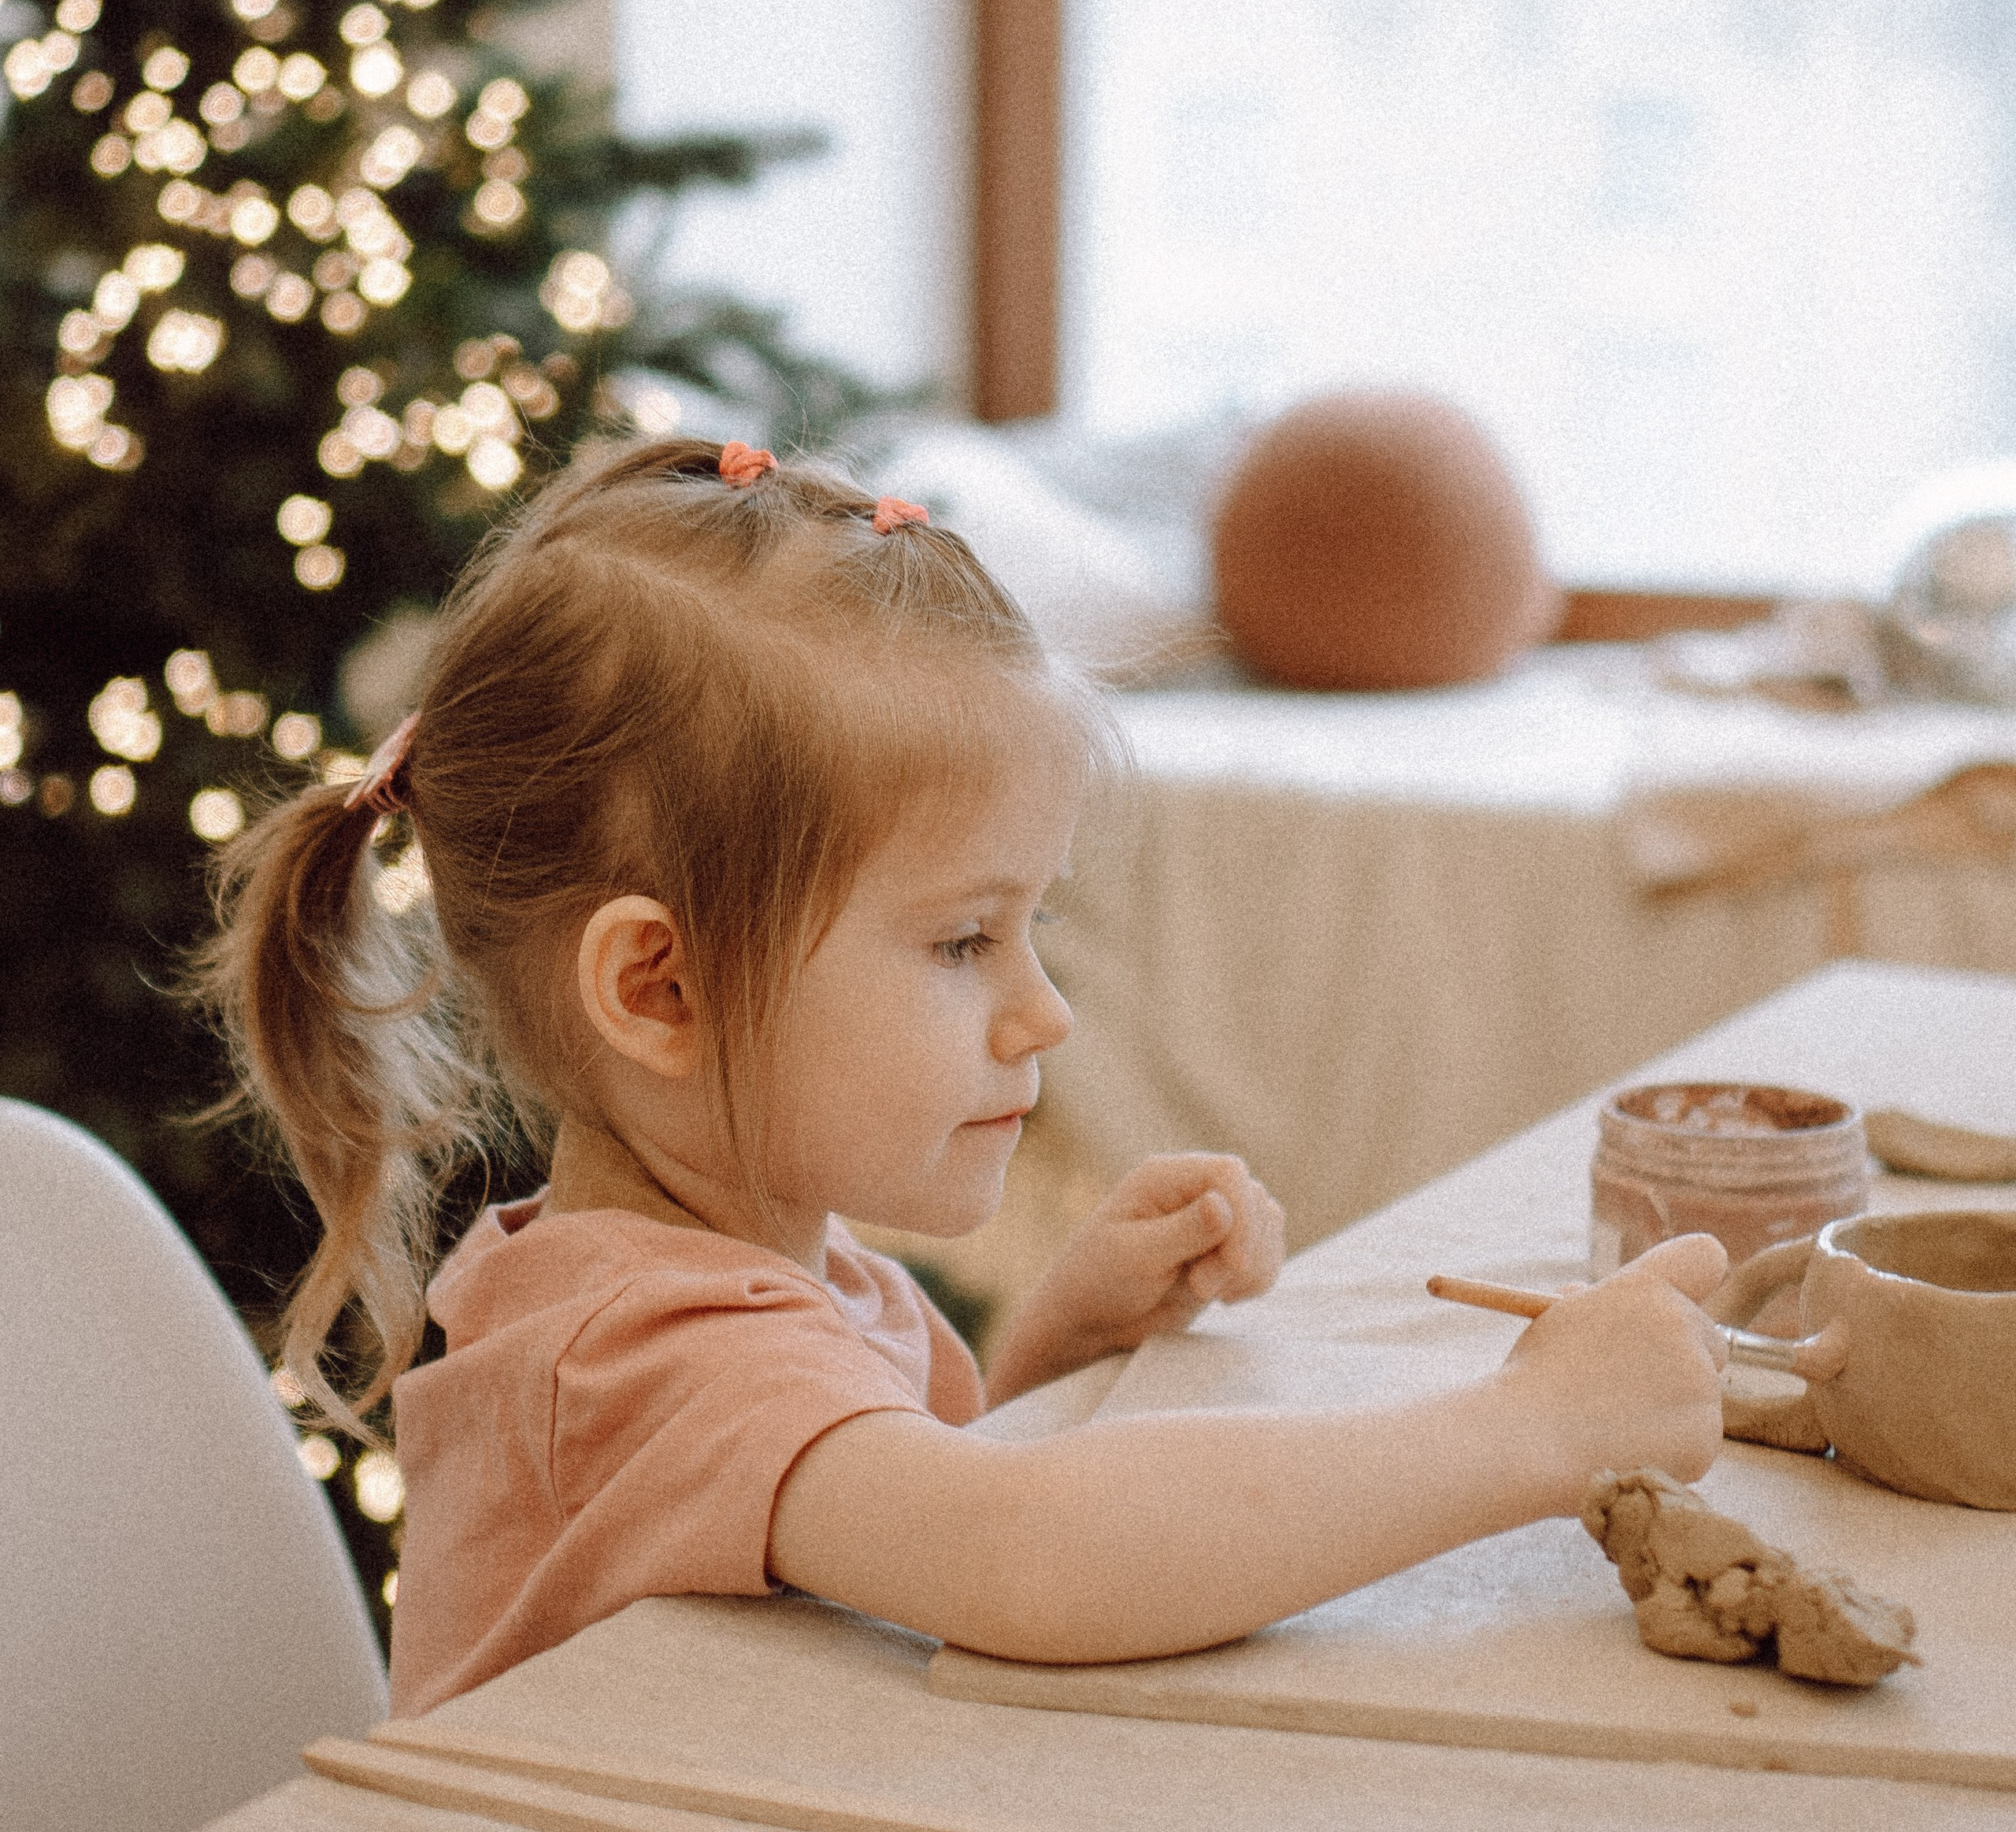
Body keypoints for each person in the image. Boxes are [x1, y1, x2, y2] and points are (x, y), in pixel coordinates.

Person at [200, 436, 1728, 1716]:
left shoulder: (774, 1279)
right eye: (961, 942)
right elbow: (1026, 1561)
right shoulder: (630, 1353)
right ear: (662, 988)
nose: (1041, 1015)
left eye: (1032, 926)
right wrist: (1529, 1433)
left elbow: (870, 1541)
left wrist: (1055, 1344)